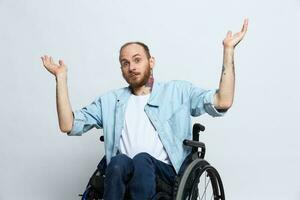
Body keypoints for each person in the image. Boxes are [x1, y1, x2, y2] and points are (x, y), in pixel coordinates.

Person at [41, 18, 248, 200]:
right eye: (125, 63)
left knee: (141, 159)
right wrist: (61, 79)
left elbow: (223, 101)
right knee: (119, 161)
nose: (131, 67)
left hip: (166, 176)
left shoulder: (177, 91)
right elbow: (68, 124)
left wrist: (228, 50)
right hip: (122, 174)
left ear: (151, 62)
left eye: (137, 60)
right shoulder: (111, 101)